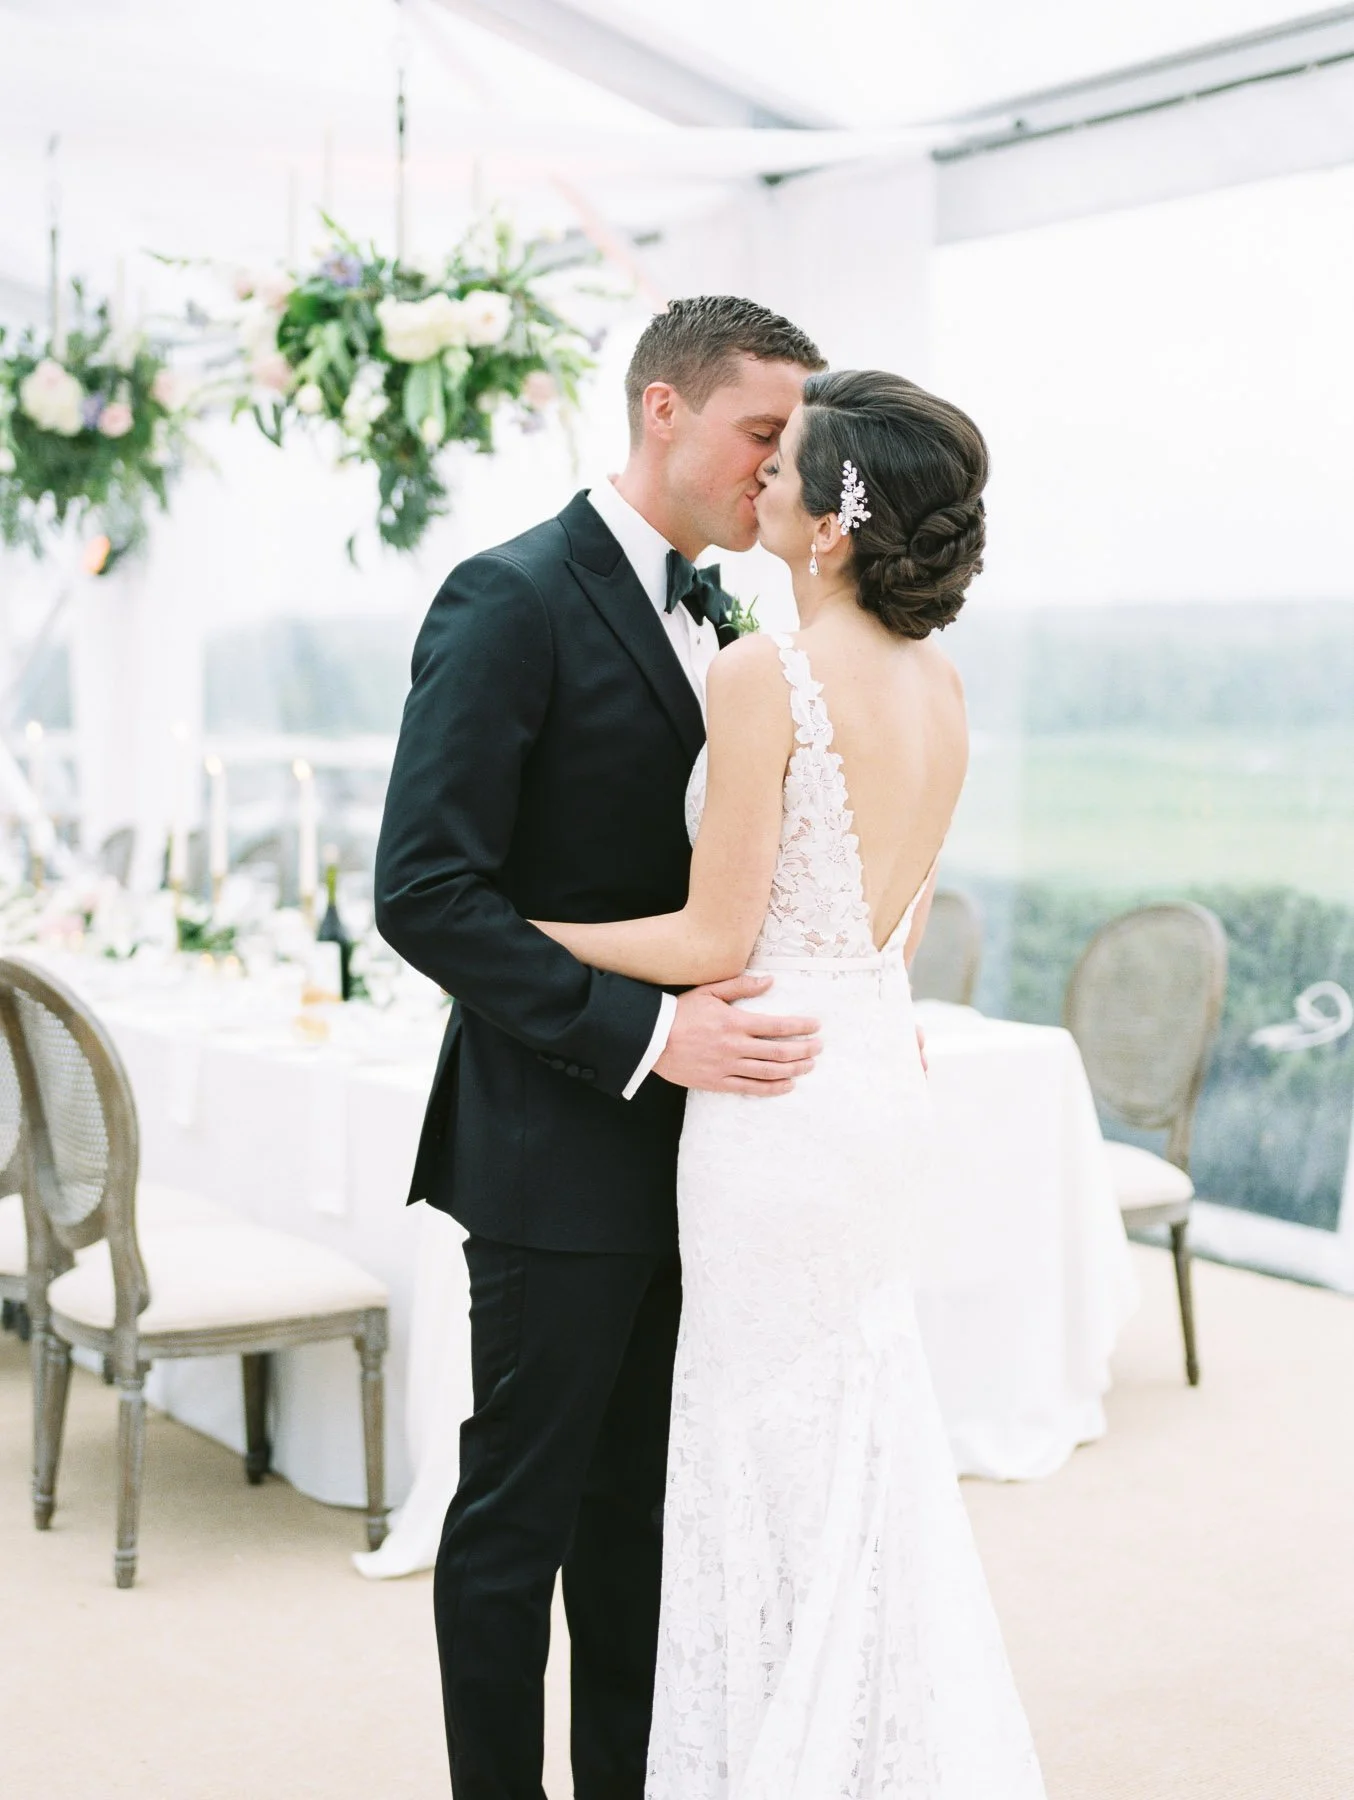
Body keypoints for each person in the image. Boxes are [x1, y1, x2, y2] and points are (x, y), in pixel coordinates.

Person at [534, 369, 1048, 1796]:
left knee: (760, 1429)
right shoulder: (938, 685)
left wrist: (517, 928)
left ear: (829, 524)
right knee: (853, 1421)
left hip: (775, 1087)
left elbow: (712, 937)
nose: (756, 482)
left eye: (782, 469)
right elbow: (895, 916)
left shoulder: (765, 671)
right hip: (871, 1065)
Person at [374, 295, 829, 1799]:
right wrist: (646, 1036)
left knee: (637, 1523)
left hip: (705, 1163)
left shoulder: (729, 616)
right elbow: (424, 891)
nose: (776, 473)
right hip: (553, 1146)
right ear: (661, 409)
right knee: (517, 1520)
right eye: (761, 435)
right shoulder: (506, 597)